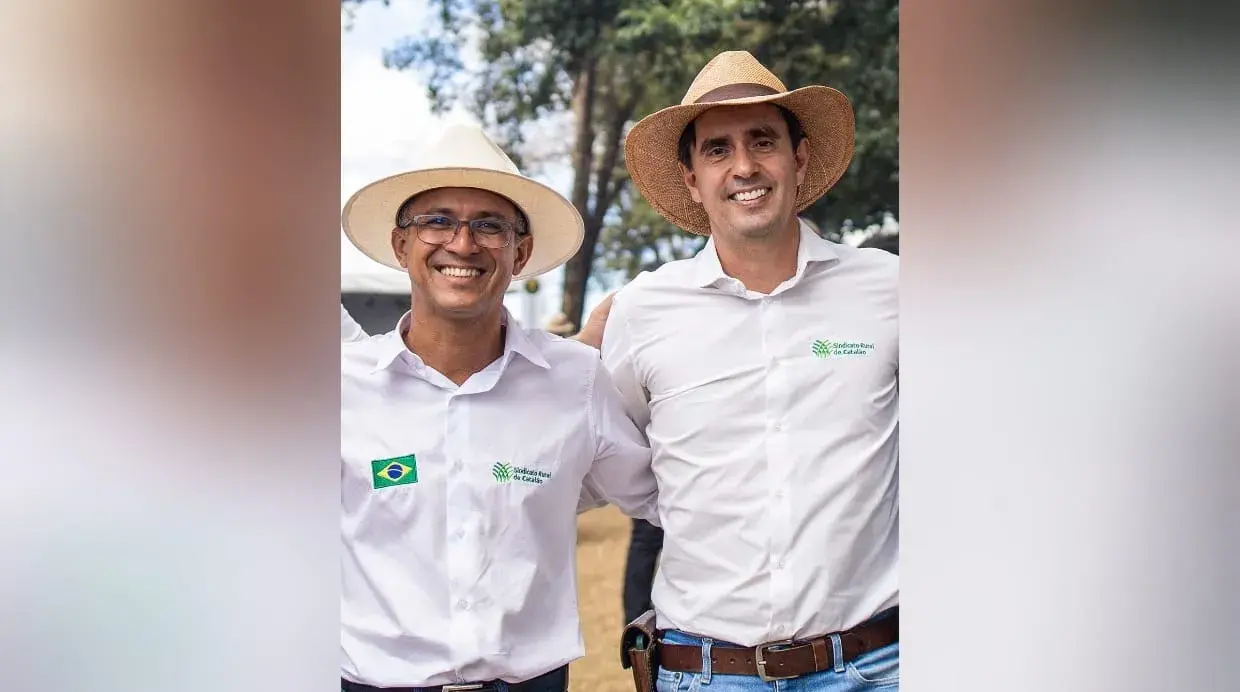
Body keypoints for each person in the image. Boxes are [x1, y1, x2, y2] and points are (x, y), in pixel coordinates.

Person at [597, 51, 901, 690]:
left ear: (801, 157)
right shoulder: (643, 310)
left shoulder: (890, 289)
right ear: (690, 178)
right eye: (717, 149)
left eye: (763, 140)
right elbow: (610, 451)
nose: (744, 167)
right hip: (706, 672)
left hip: (877, 666)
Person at [339, 122, 660, 692]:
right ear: (401, 244)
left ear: (522, 252)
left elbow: (671, 501)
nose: (462, 244)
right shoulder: (339, 389)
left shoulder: (576, 382)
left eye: (489, 226)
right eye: (436, 221)